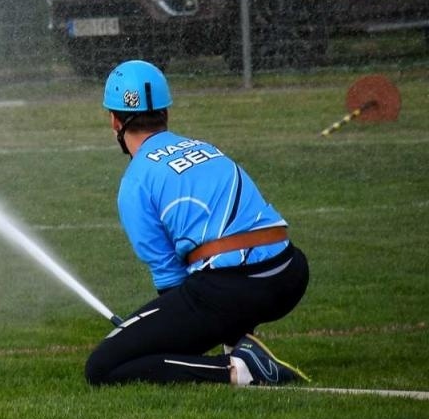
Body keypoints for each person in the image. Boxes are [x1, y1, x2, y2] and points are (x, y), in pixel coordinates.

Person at [85, 60, 310, 387]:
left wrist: (167, 334)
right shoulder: (206, 148)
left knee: (102, 367)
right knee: (211, 284)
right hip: (290, 273)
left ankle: (238, 370)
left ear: (114, 121)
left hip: (235, 288)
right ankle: (238, 345)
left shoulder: (135, 182)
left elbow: (170, 279)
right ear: (165, 112)